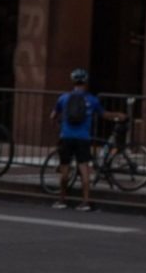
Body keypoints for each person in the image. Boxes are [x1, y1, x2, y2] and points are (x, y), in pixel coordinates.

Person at [49, 67, 115, 211]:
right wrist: (119, 115)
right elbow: (104, 114)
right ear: (85, 82)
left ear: (73, 81)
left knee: (65, 170)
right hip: (83, 138)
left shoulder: (63, 98)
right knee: (84, 169)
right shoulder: (92, 99)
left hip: (66, 136)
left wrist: (59, 125)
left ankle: (61, 200)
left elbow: (53, 116)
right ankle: (85, 201)